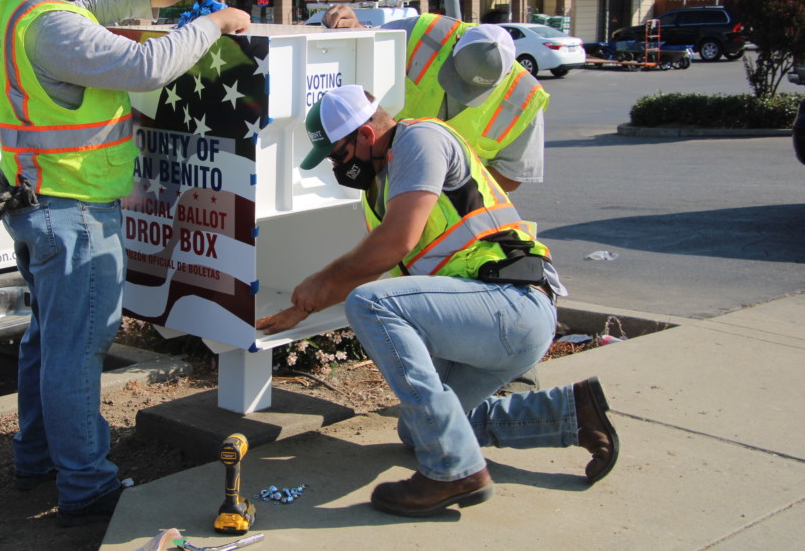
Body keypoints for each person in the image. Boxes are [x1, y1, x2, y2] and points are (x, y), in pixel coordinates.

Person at [0, 0, 250, 527]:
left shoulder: (16, 3)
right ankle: (86, 487)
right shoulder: (50, 26)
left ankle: (37, 457)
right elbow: (145, 65)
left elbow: (89, 11)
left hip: (38, 203)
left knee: (47, 341)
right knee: (76, 349)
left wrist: (150, 1)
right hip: (73, 210)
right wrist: (215, 25)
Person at [256, 85, 618, 517]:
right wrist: (304, 306)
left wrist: (320, 284)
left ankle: (452, 469)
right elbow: (379, 262)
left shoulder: (420, 140)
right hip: (483, 323)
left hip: (512, 304)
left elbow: (394, 244)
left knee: (371, 304)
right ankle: (571, 414)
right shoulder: (386, 179)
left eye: (337, 156)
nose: (338, 167)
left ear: (366, 137)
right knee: (419, 429)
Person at [322, 4, 547, 193]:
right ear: (455, 43)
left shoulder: (525, 100)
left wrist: (440, 184)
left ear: (507, 73)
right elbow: (374, 45)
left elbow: (511, 175)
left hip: (449, 210)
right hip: (381, 179)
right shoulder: (424, 34)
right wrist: (356, 27)